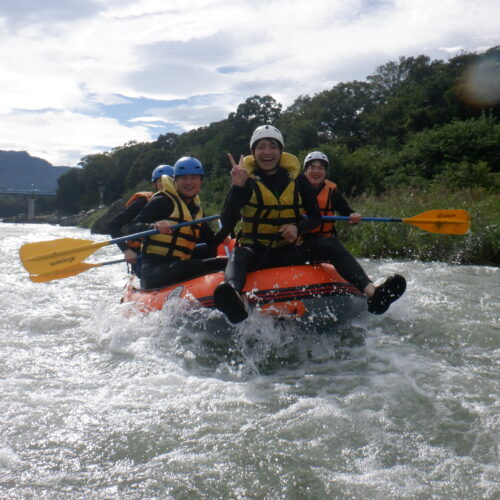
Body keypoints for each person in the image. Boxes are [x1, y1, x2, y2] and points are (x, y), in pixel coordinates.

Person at [213, 125, 323, 324]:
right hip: (256, 252)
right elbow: (228, 222)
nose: (267, 152)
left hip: (287, 250)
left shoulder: (296, 179)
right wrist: (237, 188)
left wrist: (298, 228)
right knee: (238, 254)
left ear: (281, 151)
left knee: (330, 244)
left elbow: (315, 218)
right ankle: (234, 297)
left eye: (272, 146)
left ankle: (370, 291)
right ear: (253, 153)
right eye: (261, 147)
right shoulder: (246, 181)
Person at [302, 150, 406, 314]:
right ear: (305, 171)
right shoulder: (294, 191)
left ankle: (374, 293)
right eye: (312, 168)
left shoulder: (331, 193)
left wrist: (353, 216)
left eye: (320, 168)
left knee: (331, 245)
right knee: (331, 244)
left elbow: (346, 210)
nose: (316, 171)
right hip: (299, 246)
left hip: (324, 247)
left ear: (325, 172)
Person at [124, 156, 229, 290]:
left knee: (224, 261)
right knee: (218, 263)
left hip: (179, 266)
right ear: (176, 180)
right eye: (184, 178)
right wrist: (153, 226)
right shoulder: (163, 201)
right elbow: (131, 228)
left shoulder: (196, 210)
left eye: (194, 178)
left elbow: (212, 242)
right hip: (154, 272)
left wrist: (226, 229)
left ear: (201, 181)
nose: (189, 182)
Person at [108, 164, 174, 276]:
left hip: (169, 253)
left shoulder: (182, 203)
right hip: (142, 257)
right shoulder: (142, 203)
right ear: (154, 184)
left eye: (170, 180)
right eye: (161, 181)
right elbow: (113, 225)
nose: (165, 184)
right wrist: (126, 250)